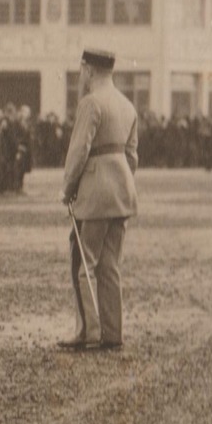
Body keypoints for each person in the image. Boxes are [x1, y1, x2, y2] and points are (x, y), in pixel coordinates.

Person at [59, 48, 139, 353]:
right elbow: (132, 155)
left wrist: (68, 188)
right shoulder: (127, 105)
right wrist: (122, 182)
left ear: (88, 70)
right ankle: (112, 332)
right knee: (110, 265)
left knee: (83, 262)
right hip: (122, 193)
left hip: (95, 192)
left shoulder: (91, 102)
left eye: (82, 70)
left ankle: (87, 331)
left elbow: (79, 151)